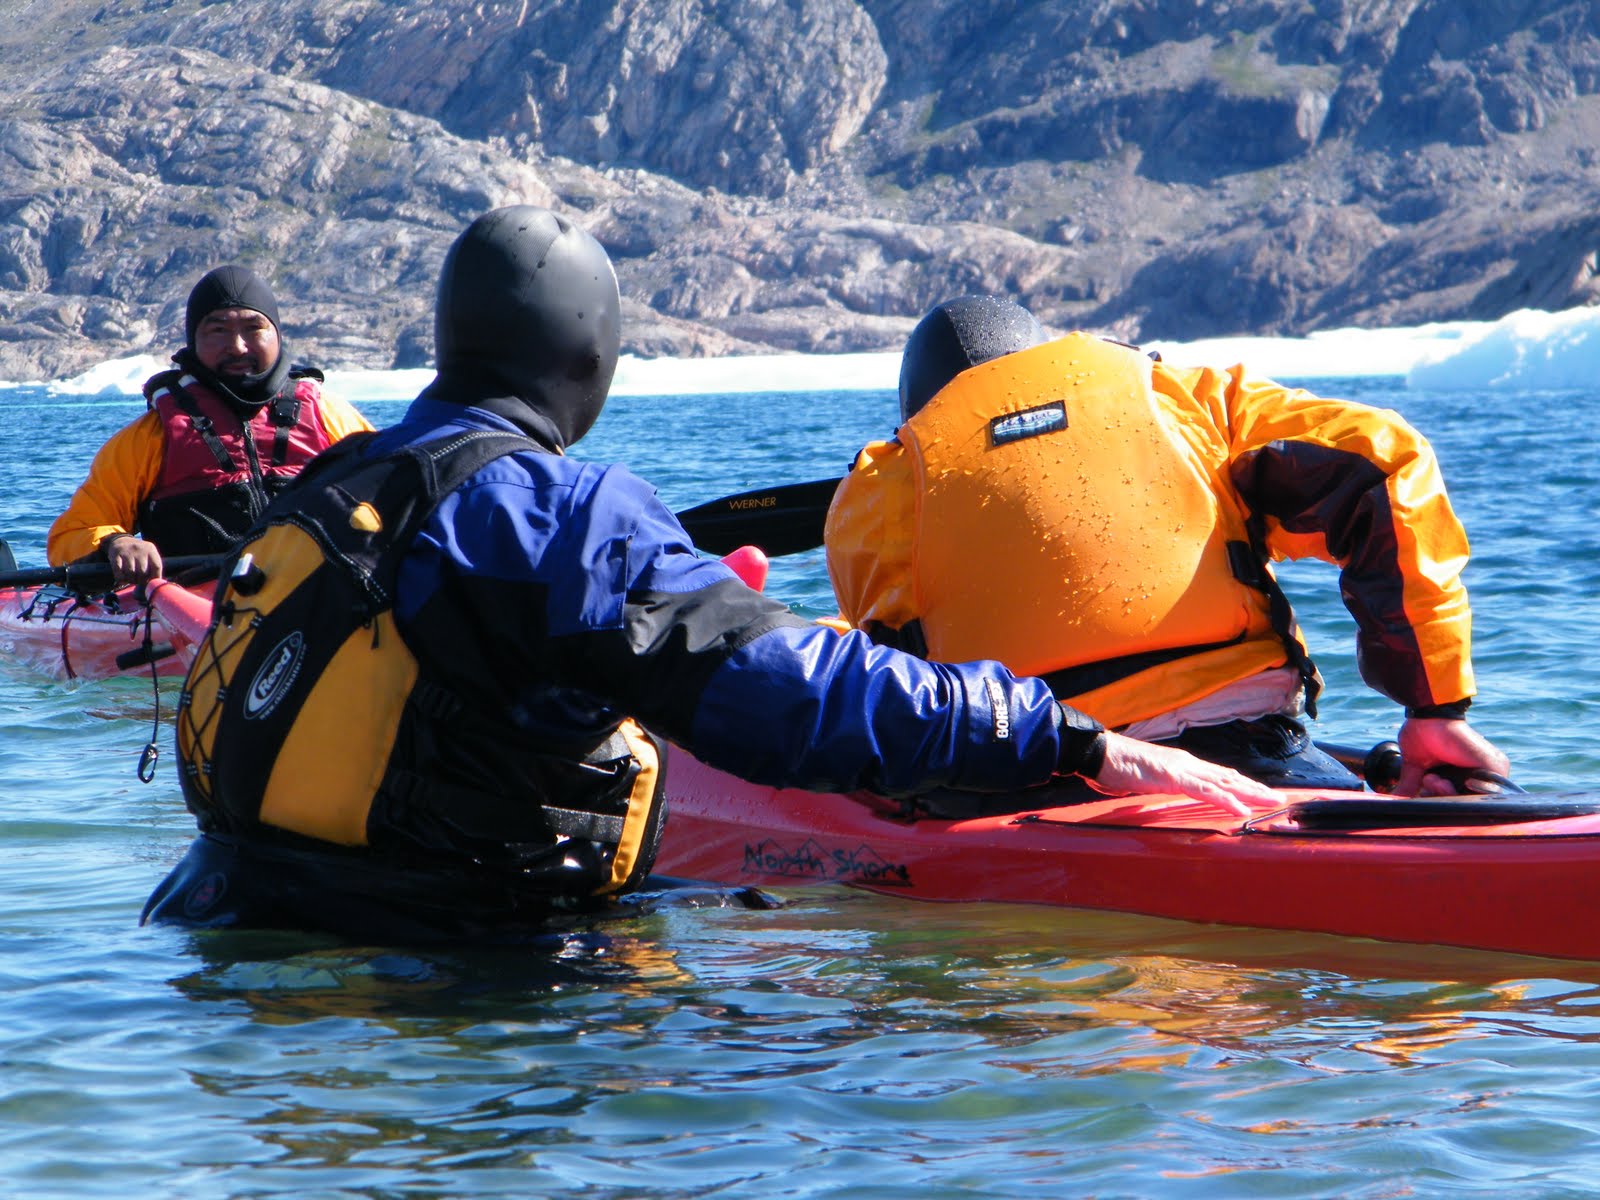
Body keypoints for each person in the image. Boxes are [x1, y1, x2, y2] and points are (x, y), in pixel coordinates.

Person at [145, 207, 1277, 941]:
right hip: (453, 976)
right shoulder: (559, 512)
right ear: (591, 358)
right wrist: (1063, 737)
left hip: (227, 931)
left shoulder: (337, 479)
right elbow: (787, 689)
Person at [824, 295, 1510, 800]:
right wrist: (1433, 709)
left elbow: (891, 683)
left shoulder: (880, 488)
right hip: (1254, 750)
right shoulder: (1183, 400)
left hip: (1030, 778)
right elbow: (1384, 467)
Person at [47, 265, 373, 587]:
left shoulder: (333, 419)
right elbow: (71, 534)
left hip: (321, 603)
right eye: (218, 330)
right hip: (196, 611)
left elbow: (403, 499)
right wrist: (113, 543)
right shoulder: (150, 437)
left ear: (277, 334)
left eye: (253, 328)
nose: (238, 346)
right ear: (193, 339)